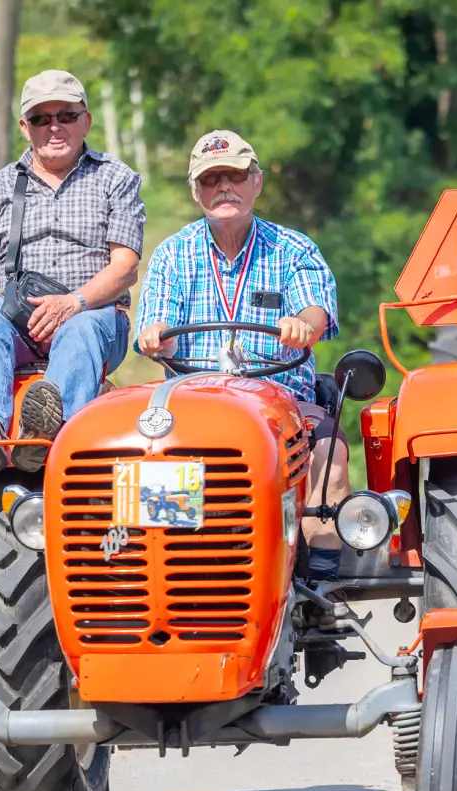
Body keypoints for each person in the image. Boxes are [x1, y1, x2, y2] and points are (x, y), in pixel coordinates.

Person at [134, 129, 352, 582]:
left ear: (257, 182)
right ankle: (167, 571)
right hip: (194, 405)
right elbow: (156, 325)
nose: (223, 187)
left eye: (234, 175)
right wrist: (156, 336)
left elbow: (315, 311)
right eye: (210, 179)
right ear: (196, 191)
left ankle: (323, 585)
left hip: (280, 403)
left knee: (327, 452)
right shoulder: (173, 254)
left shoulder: (293, 249)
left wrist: (303, 325)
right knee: (145, 459)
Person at [0, 69, 146, 474]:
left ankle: (47, 432)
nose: (55, 127)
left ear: (86, 121)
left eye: (67, 116)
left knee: (80, 329)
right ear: (25, 128)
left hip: (93, 315)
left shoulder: (116, 178)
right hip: (17, 317)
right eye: (41, 118)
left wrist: (73, 303)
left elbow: (125, 268)